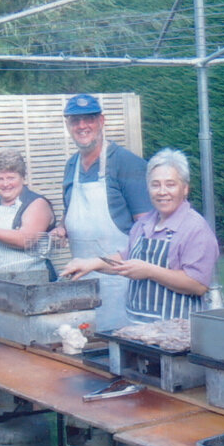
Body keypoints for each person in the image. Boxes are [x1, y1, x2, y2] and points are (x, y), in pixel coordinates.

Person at [62, 147, 217, 446]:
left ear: (185, 188)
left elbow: (197, 283)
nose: (163, 191)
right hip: (141, 332)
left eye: (170, 184)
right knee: (148, 409)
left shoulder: (195, 229)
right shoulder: (145, 223)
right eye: (156, 184)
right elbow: (125, 258)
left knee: (178, 413)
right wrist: (91, 262)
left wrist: (151, 272)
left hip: (177, 337)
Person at [52, 93, 152, 331]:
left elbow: (148, 230)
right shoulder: (71, 166)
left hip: (123, 284)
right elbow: (71, 211)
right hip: (82, 282)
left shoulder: (127, 163)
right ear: (68, 125)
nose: (82, 126)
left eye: (89, 119)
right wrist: (61, 228)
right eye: (75, 121)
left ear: (102, 121)